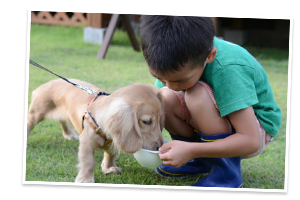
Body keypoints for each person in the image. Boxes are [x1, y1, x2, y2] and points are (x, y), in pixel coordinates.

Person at [139, 15, 282, 188]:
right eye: (159, 77)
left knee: (197, 95)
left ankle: (226, 175)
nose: (171, 86)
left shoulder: (228, 68)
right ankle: (200, 163)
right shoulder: (173, 58)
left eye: (181, 80)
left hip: (255, 129)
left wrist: (191, 150)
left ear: (210, 56)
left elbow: (251, 141)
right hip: (217, 121)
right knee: (163, 98)